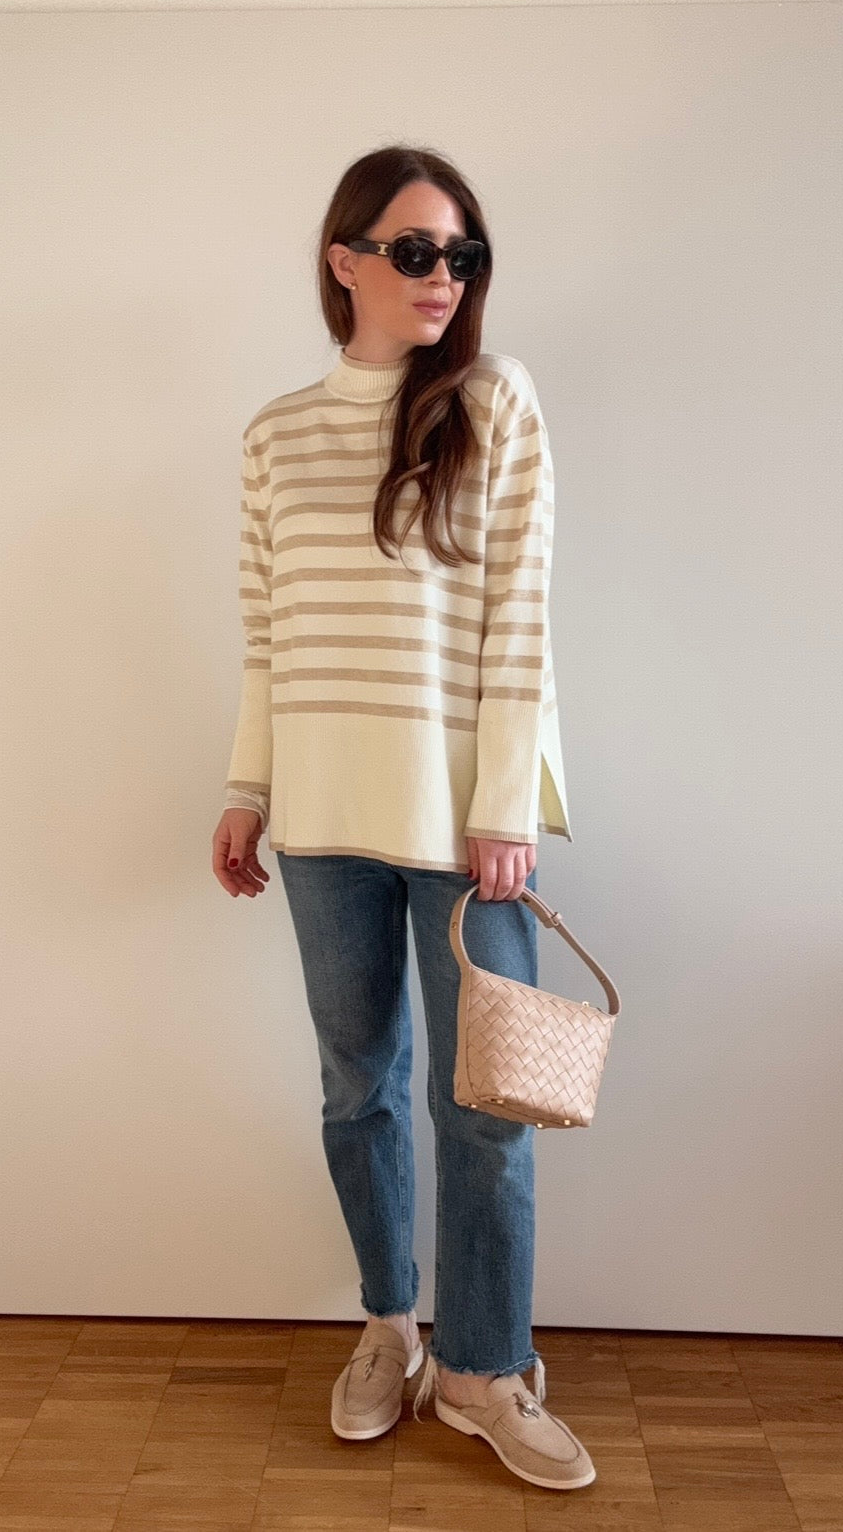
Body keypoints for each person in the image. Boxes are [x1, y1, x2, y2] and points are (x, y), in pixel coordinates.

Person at [210, 144, 592, 1491]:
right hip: (321, 820)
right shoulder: (276, 434)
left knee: (486, 1102)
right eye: (417, 251)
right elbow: (269, 635)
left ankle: (483, 1368)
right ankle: (390, 1327)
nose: (445, 278)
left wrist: (504, 805)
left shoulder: (494, 400)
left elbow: (520, 619)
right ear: (346, 260)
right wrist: (248, 788)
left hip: (466, 827)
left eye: (463, 256)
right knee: (357, 1088)